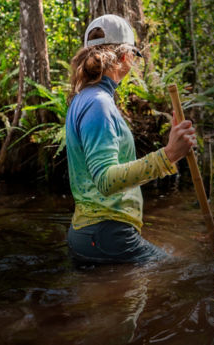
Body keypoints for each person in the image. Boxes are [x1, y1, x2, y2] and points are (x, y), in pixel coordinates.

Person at [64, 14, 196, 264]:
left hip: (93, 234)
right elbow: (104, 180)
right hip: (107, 234)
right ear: (125, 57)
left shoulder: (84, 98)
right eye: (135, 55)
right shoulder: (98, 103)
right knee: (178, 271)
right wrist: (168, 155)